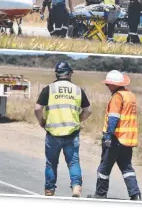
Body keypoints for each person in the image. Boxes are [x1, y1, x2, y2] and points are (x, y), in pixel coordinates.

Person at [34, 61, 92, 197]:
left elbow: (37, 108)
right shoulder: (78, 90)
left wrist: (41, 121)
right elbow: (88, 110)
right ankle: (76, 187)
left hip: (53, 133)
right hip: (72, 133)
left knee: (51, 163)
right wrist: (78, 119)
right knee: (73, 162)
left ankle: (49, 190)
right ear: (70, 74)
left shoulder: (49, 89)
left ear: (57, 74)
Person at [87, 70, 141, 201]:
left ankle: (100, 194)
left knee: (104, 168)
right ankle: (135, 195)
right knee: (127, 168)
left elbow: (113, 118)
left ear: (114, 84)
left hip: (116, 138)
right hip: (128, 139)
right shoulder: (130, 96)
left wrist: (108, 137)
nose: (107, 87)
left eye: (108, 84)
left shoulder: (117, 96)